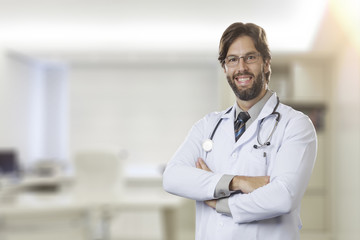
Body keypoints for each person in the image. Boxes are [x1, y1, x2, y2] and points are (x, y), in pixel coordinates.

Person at [162, 22, 317, 240]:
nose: (241, 67)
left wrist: (221, 203)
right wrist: (236, 182)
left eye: (250, 57)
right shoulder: (208, 125)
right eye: (232, 59)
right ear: (225, 68)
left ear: (266, 63)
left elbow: (283, 196)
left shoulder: (295, 124)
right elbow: (172, 177)